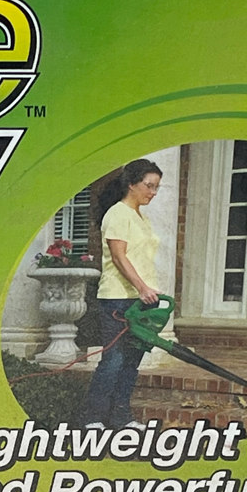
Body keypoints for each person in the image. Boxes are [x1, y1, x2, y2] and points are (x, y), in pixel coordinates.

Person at [81, 158, 163, 429]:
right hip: (118, 297)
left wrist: (150, 290)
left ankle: (120, 418)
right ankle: (92, 420)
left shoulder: (142, 217)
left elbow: (141, 258)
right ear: (131, 184)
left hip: (143, 299)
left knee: (131, 362)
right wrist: (141, 287)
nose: (153, 192)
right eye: (149, 186)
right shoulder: (117, 214)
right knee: (114, 361)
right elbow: (118, 256)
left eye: (157, 187)